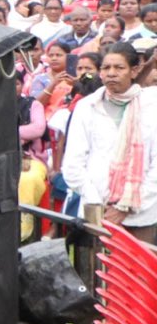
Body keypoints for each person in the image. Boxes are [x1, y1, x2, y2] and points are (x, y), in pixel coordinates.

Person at [63, 43, 157, 239]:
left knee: (137, 259)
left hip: (141, 215)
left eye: (119, 67)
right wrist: (97, 202)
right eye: (106, 68)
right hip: (97, 213)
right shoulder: (87, 106)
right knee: (95, 259)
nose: (111, 73)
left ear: (134, 71)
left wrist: (125, 207)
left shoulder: (151, 105)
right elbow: (73, 164)